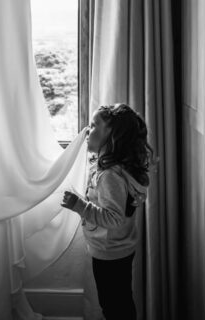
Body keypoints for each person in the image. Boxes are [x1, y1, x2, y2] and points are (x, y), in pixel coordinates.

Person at [61, 104, 153, 320]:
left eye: (93, 126)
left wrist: (80, 206)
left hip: (109, 252)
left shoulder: (110, 175)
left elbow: (113, 218)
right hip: (120, 248)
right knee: (120, 302)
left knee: (113, 306)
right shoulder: (119, 168)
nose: (87, 130)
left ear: (111, 137)